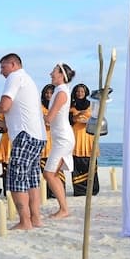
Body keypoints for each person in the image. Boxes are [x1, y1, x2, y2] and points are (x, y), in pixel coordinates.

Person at [0, 53, 47, 230]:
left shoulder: (15, 77)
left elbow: (5, 106)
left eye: (3, 67)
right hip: (37, 135)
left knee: (17, 177)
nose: (1, 72)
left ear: (13, 64)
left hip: (25, 135)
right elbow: (21, 115)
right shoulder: (28, 80)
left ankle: (25, 222)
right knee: (31, 178)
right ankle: (35, 219)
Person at [43, 64, 75, 219]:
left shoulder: (62, 92)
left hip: (64, 138)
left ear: (62, 75)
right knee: (52, 174)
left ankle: (64, 209)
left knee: (49, 174)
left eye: (53, 71)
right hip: (59, 138)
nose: (50, 73)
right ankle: (63, 208)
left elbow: (49, 118)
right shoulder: (58, 90)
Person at [69, 83, 100, 196]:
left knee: (89, 164)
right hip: (76, 137)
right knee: (77, 164)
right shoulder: (71, 106)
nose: (80, 93)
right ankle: (80, 190)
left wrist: (86, 119)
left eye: (82, 91)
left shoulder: (92, 106)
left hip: (89, 137)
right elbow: (68, 121)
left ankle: (92, 189)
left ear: (86, 93)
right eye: (78, 91)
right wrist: (76, 117)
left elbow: (97, 119)